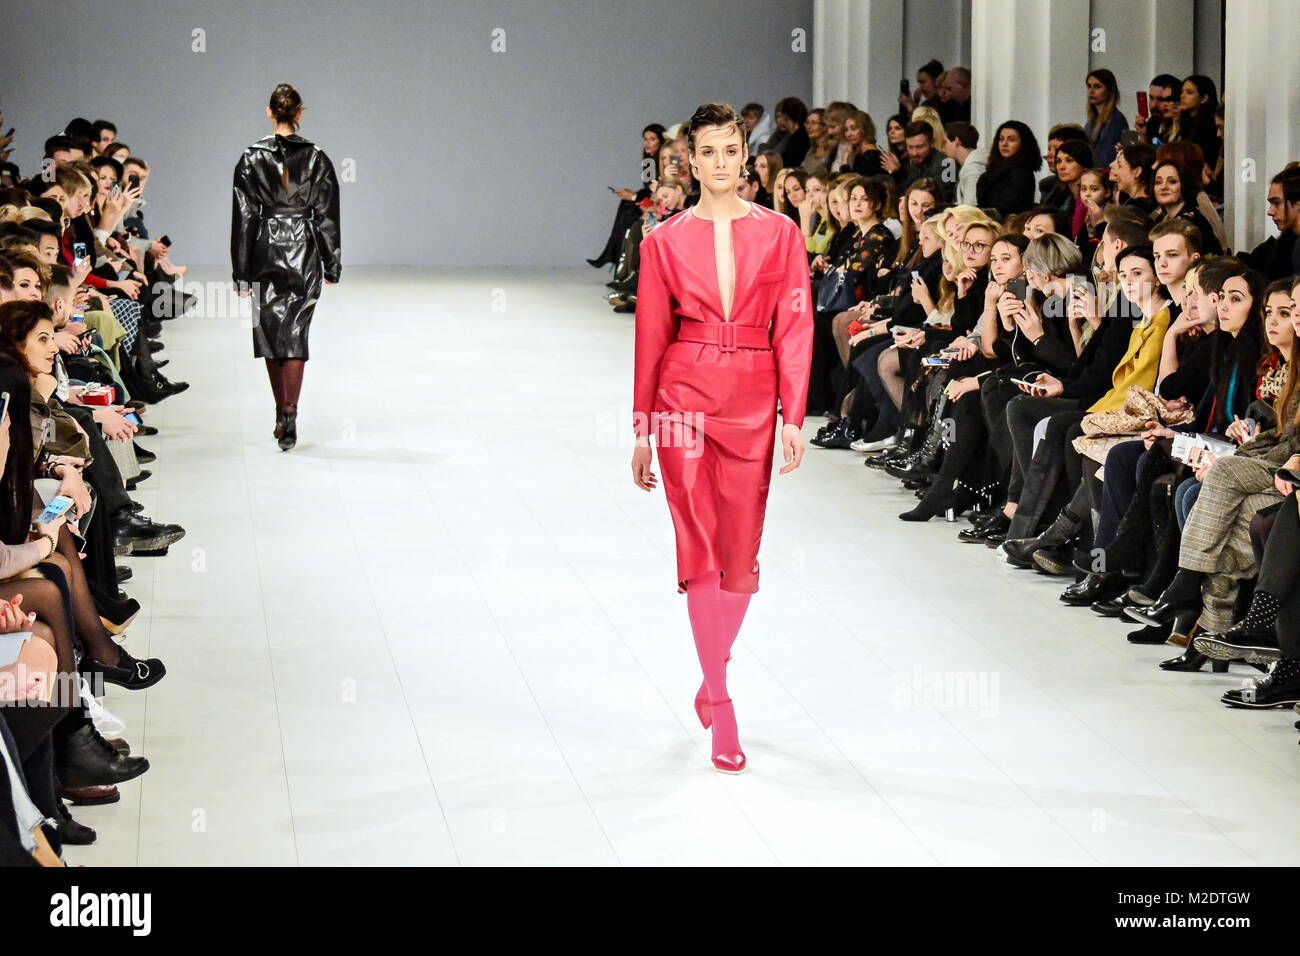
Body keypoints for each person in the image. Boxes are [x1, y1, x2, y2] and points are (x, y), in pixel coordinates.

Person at [631, 103, 813, 775]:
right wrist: (643, 429)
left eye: (730, 150)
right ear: (690, 160)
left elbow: (796, 330)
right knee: (699, 548)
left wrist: (793, 415)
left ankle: (710, 676)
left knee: (741, 558)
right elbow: (651, 336)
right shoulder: (662, 241)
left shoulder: (782, 234)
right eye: (706, 152)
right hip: (682, 394)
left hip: (751, 398)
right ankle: (725, 706)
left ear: (745, 156)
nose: (719, 163)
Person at [231, 83, 341, 451]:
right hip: (302, 248)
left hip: (265, 245)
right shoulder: (316, 158)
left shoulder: (250, 157)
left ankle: (281, 410)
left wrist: (241, 271)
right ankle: (290, 413)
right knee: (295, 333)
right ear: (299, 113)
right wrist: (332, 262)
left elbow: (244, 217)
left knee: (269, 333)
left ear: (269, 112)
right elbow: (327, 214)